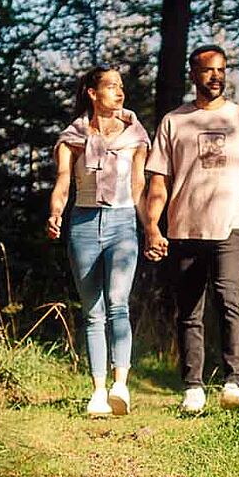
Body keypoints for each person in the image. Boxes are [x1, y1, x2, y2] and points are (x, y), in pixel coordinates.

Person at [143, 44, 239, 414]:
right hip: (184, 227)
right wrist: (153, 227)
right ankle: (193, 388)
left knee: (230, 301)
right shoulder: (174, 122)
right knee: (188, 311)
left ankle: (233, 382)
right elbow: (158, 183)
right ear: (193, 74)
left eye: (221, 69)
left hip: (231, 226)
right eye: (207, 70)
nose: (215, 76)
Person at [47, 65, 150, 416]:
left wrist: (150, 227)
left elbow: (139, 186)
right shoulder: (72, 137)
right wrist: (56, 212)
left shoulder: (136, 136)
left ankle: (121, 385)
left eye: (121, 87)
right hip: (84, 223)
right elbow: (63, 180)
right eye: (111, 87)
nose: (119, 93)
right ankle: (98, 391)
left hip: (123, 222)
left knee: (118, 302)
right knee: (93, 311)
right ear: (92, 93)